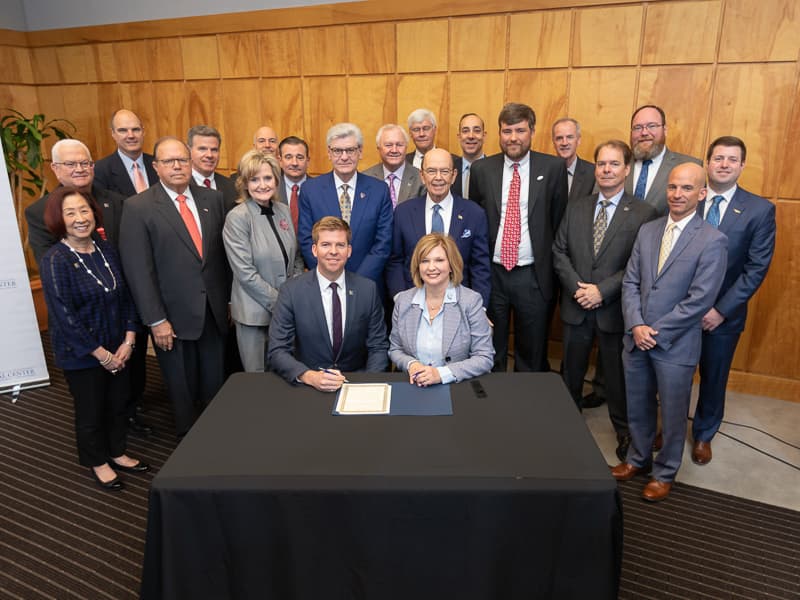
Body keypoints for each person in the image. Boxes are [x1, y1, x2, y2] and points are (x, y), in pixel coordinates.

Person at [613, 162, 727, 502]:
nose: (678, 194)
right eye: (673, 187)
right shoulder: (649, 230)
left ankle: (665, 473)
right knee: (638, 404)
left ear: (702, 193)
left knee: (674, 412)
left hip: (674, 344)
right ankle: (637, 458)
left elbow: (700, 300)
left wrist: (654, 332)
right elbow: (631, 281)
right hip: (636, 338)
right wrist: (636, 325)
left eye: (687, 188)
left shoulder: (712, 240)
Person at [24, 138, 152, 436]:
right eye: (71, 164)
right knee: (92, 397)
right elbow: (50, 267)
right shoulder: (39, 211)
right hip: (83, 313)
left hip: (123, 306)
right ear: (56, 169)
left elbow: (128, 252)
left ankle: (130, 416)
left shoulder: (117, 201)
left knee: (131, 375)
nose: (80, 169)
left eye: (85, 163)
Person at [39, 187, 150, 491]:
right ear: (58, 219)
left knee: (118, 404)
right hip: (83, 354)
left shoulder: (106, 248)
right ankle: (97, 461)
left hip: (119, 347)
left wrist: (128, 341)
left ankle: (117, 451)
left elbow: (127, 296)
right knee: (91, 411)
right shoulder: (55, 260)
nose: (79, 218)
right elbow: (65, 317)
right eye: (70, 213)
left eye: (84, 210)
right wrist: (101, 354)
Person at [552, 140, 657, 461]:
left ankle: (624, 431)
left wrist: (602, 291)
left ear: (627, 169)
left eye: (614, 164)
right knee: (571, 371)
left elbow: (639, 265)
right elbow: (559, 251)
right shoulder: (577, 206)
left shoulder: (643, 213)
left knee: (617, 377)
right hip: (576, 306)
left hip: (615, 310)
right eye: (601, 164)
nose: (606, 170)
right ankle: (565, 426)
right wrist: (578, 289)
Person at [119, 136, 229, 438]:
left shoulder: (212, 200)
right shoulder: (138, 207)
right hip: (171, 318)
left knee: (214, 383)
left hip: (213, 312)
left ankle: (218, 436)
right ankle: (189, 442)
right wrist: (156, 320)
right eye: (169, 161)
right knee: (181, 388)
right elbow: (138, 271)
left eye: (182, 159)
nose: (178, 166)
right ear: (156, 167)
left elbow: (220, 257)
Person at [691, 136, 776, 465]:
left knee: (714, 377)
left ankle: (703, 435)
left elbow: (755, 269)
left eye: (732, 159)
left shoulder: (759, 210)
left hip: (722, 317)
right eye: (718, 158)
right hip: (681, 312)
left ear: (742, 165)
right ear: (707, 163)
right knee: (675, 376)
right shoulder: (687, 198)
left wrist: (720, 311)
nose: (724, 164)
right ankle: (668, 427)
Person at [469, 102, 568, 372]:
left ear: (532, 132)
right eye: (507, 131)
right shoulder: (482, 170)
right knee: (490, 346)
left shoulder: (553, 168)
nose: (513, 137)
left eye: (520, 130)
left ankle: (526, 407)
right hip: (492, 274)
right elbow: (476, 220)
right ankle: (493, 407)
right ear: (499, 133)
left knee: (532, 350)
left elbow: (559, 222)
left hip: (533, 275)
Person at [268, 217, 388, 391]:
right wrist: (308, 376)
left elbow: (378, 347)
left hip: (356, 385)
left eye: (340, 245)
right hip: (308, 386)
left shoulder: (367, 289)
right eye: (326, 245)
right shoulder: (291, 291)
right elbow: (277, 350)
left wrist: (367, 385)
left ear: (349, 251)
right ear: (314, 250)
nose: (333, 251)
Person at [223, 150, 304, 372]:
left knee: (286, 372)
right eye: (254, 179)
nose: (262, 185)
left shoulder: (283, 210)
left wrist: (293, 293)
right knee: (258, 379)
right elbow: (245, 273)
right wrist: (281, 302)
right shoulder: (237, 217)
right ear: (244, 184)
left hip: (286, 311)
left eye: (267, 178)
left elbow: (296, 255)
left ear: (276, 180)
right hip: (254, 315)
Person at [387, 148, 491, 306]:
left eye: (444, 171)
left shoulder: (474, 213)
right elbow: (395, 260)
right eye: (431, 171)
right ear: (422, 176)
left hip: (461, 304)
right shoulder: (403, 212)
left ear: (454, 175)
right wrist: (401, 298)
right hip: (414, 301)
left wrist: (479, 308)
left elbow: (480, 266)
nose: (438, 177)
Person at [297, 123, 393, 290]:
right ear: (329, 153)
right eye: (337, 151)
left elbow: (383, 243)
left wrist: (358, 281)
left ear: (360, 152)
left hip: (367, 286)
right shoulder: (310, 190)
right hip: (324, 285)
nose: (344, 157)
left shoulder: (379, 190)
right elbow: (306, 240)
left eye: (350, 150)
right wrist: (331, 275)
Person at [389, 233, 494, 385]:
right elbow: (395, 349)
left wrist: (441, 374)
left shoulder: (471, 301)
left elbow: (484, 357)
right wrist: (412, 364)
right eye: (425, 261)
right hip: (414, 385)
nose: (431, 267)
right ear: (418, 266)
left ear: (451, 265)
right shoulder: (403, 301)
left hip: (457, 387)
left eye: (439, 260)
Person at [624, 105, 701, 215]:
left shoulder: (689, 166)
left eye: (651, 126)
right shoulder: (616, 165)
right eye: (637, 128)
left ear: (665, 130)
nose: (644, 133)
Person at [93, 109, 158, 197]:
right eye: (123, 130)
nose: (131, 135)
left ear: (143, 132)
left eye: (135, 129)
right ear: (113, 134)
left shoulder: (159, 164)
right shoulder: (100, 170)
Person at [363, 124, 426, 208]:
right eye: (388, 145)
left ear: (406, 147)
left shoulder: (421, 178)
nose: (394, 150)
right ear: (379, 148)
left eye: (399, 145)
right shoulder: (366, 178)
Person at [188, 124, 238, 213]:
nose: (209, 155)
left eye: (214, 150)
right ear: (188, 151)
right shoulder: (181, 187)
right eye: (202, 149)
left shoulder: (232, 186)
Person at [551, 117, 595, 203]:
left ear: (578, 140)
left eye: (570, 137)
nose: (564, 143)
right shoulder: (545, 171)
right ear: (553, 142)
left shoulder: (593, 173)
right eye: (559, 138)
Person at [277, 136, 311, 232]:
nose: (294, 163)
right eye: (288, 157)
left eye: (300, 157)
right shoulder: (270, 189)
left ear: (308, 161)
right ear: (280, 161)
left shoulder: (319, 189)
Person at [452, 113, 487, 199]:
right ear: (459, 137)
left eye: (477, 131)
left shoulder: (495, 170)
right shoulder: (450, 170)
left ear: (484, 136)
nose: (471, 136)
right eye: (465, 131)